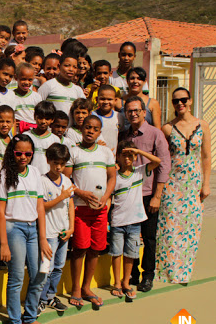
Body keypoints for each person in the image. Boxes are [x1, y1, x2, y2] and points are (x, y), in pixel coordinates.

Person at [0, 134, 54, 324]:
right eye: (19, 153)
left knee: (39, 274)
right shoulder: (4, 175)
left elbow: (40, 207)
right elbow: (0, 211)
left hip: (33, 229)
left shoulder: (35, 172)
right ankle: (15, 323)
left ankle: (30, 317)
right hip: (14, 229)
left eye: (28, 154)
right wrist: (3, 243)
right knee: (17, 276)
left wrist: (43, 238)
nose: (23, 157)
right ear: (12, 153)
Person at [156, 88, 211, 284]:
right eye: (175, 101)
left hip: (193, 183)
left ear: (190, 101)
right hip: (172, 183)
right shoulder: (167, 128)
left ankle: (184, 271)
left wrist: (206, 184)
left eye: (183, 99)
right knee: (170, 227)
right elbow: (162, 157)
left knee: (190, 226)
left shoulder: (202, 125)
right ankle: (168, 271)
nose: (180, 103)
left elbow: (206, 157)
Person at [119, 95, 171, 292]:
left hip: (148, 193)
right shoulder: (124, 135)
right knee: (130, 236)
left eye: (136, 110)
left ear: (143, 112)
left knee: (148, 238)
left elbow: (164, 165)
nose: (133, 114)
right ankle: (132, 274)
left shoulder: (155, 134)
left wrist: (157, 196)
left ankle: (147, 275)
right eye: (129, 111)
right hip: (129, 195)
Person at [64, 115, 115, 308]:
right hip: (80, 209)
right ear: (81, 128)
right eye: (87, 127)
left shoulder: (105, 152)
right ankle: (76, 289)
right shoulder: (74, 151)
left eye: (95, 129)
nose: (90, 131)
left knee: (95, 249)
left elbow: (112, 177)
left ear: (99, 132)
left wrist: (106, 197)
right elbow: (66, 180)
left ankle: (86, 287)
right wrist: (81, 193)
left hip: (99, 210)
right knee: (80, 248)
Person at [109, 140, 161, 301]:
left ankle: (126, 282)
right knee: (116, 254)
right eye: (124, 155)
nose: (127, 159)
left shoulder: (140, 172)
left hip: (135, 223)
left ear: (135, 157)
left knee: (130, 254)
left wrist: (138, 152)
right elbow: (109, 197)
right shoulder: (114, 176)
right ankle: (117, 283)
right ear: (118, 157)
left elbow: (157, 161)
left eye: (130, 155)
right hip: (118, 222)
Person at [38, 143, 74, 313]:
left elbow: (70, 205)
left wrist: (71, 228)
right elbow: (42, 207)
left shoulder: (66, 180)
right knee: (47, 268)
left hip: (64, 231)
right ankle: (40, 299)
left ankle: (50, 296)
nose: (58, 167)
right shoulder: (42, 181)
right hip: (49, 233)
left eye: (62, 164)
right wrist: (61, 197)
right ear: (48, 161)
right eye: (55, 163)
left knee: (59, 267)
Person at [38, 53, 85, 118]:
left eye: (74, 67)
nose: (71, 69)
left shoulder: (78, 90)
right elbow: (37, 107)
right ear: (59, 66)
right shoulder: (48, 85)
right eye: (67, 66)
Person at [26, 101, 60, 175]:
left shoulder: (55, 140)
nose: (43, 121)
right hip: (30, 176)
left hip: (48, 177)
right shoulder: (27, 136)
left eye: (47, 119)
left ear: (52, 120)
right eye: (40, 118)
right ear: (34, 116)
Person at [9, 62, 42, 133]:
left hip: (33, 132)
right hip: (17, 132)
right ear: (16, 78)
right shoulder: (11, 95)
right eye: (23, 79)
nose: (27, 83)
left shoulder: (36, 97)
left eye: (30, 80)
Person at [92, 85, 123, 154]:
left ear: (115, 100)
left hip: (113, 156)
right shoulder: (92, 116)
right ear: (97, 99)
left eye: (109, 99)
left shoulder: (119, 116)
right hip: (96, 154)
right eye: (102, 99)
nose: (106, 102)